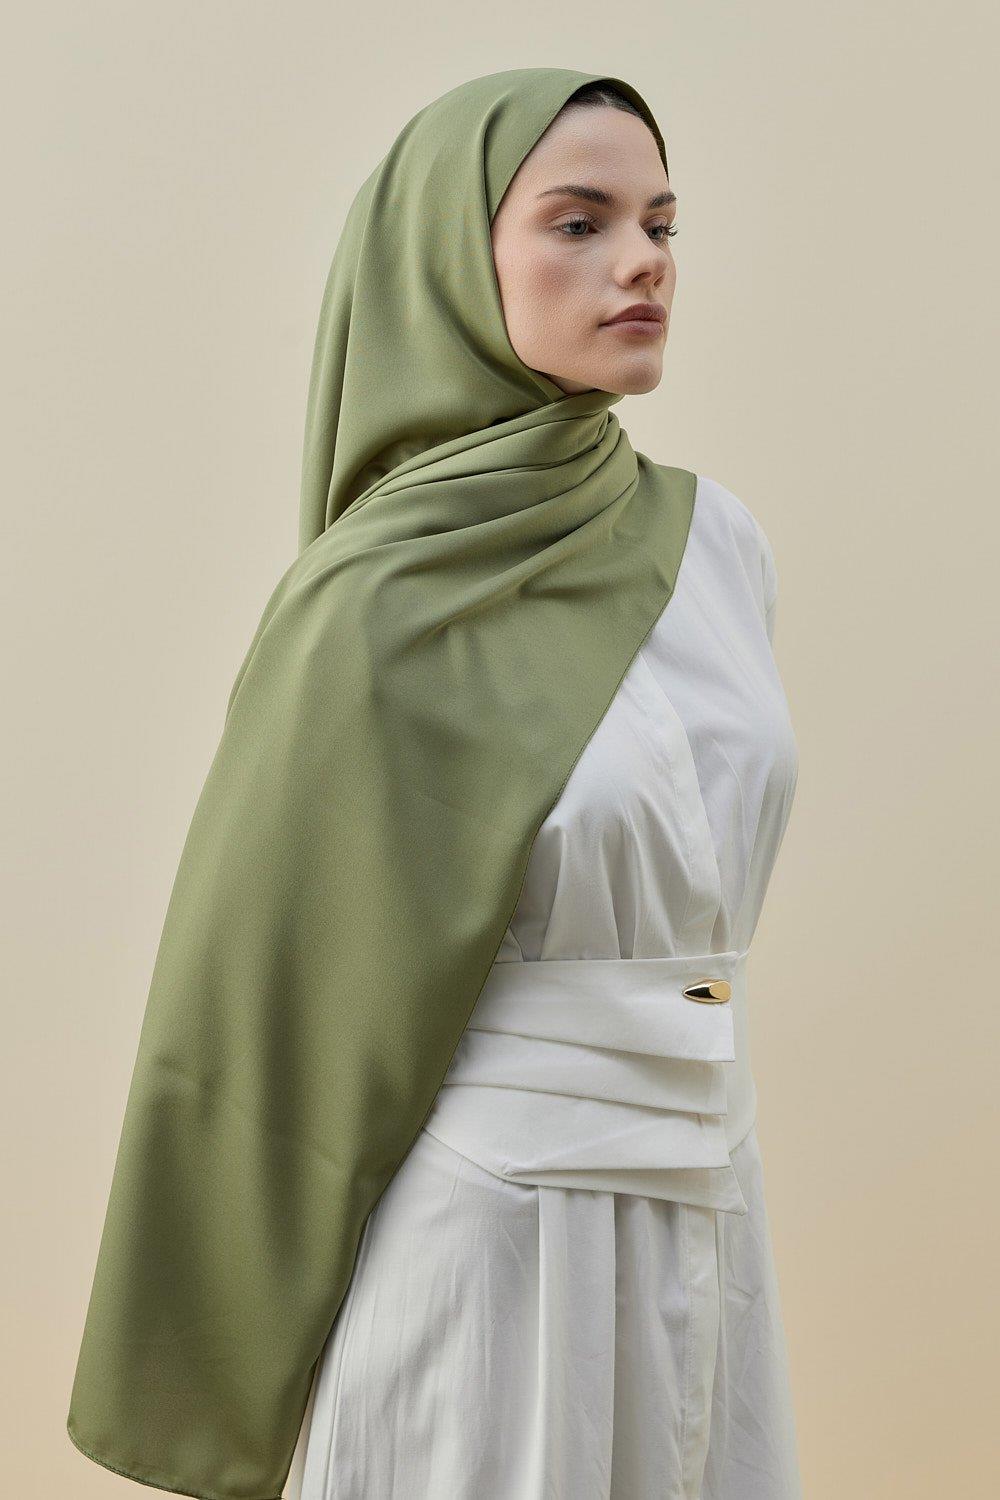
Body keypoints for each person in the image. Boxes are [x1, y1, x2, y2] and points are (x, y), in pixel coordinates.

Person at [67, 69, 802, 1500]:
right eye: (579, 223)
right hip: (497, 1240)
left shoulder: (721, 548)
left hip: (713, 1202)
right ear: (450, 262)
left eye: (660, 223)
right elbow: (261, 1003)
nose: (643, 261)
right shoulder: (370, 607)